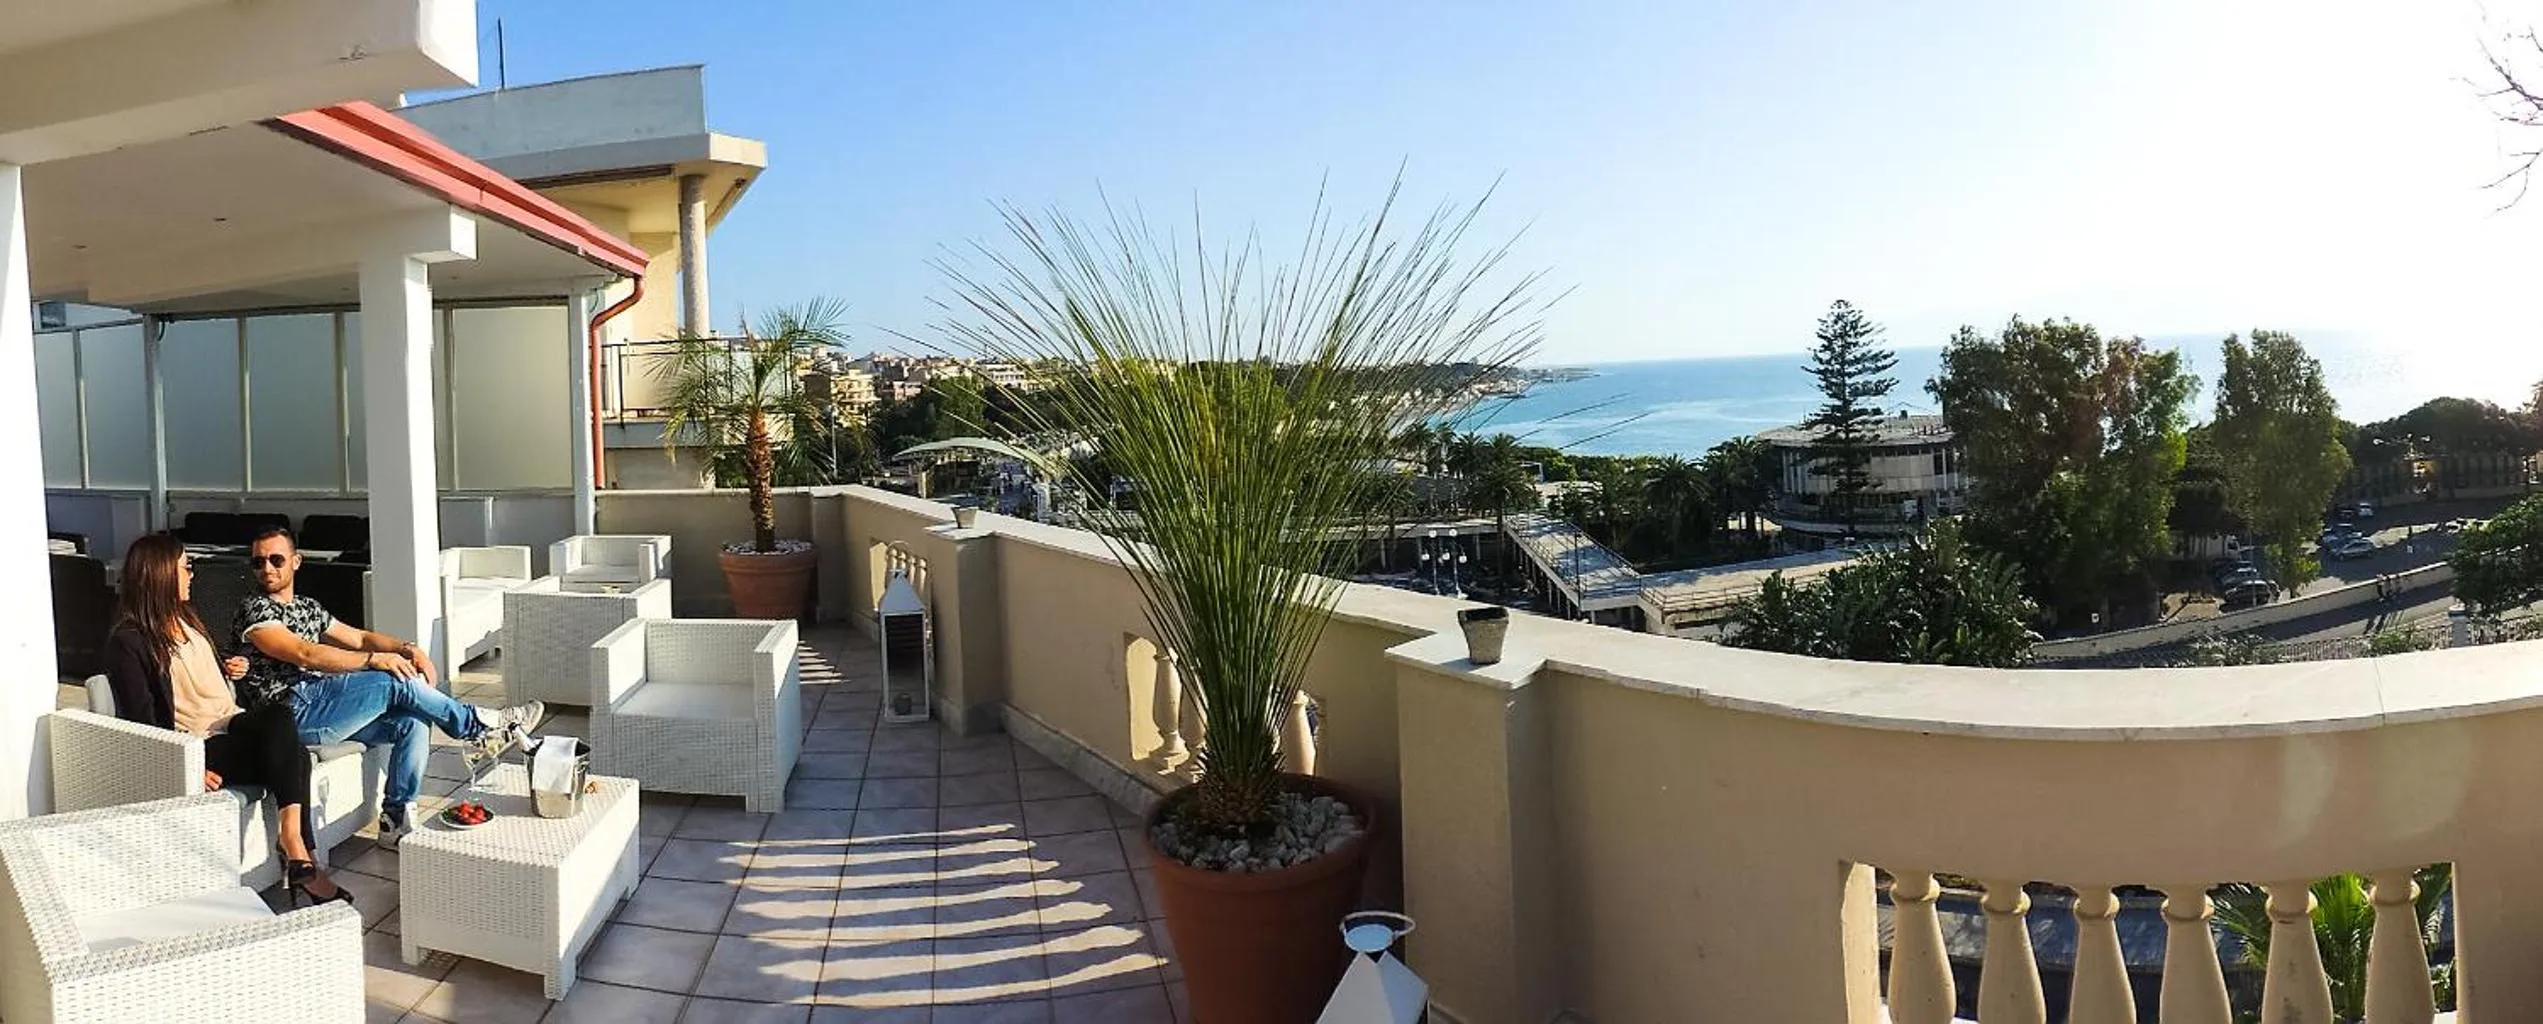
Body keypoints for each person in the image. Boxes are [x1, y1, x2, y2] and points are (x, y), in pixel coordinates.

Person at [229, 526, 543, 846]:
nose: (267, 568)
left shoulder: (307, 607)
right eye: (258, 562)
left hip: (321, 705)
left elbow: (359, 637)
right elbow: (304, 653)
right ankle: (477, 726)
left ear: (296, 561)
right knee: (395, 680)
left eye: (276, 559)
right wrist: (373, 660)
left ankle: (395, 822)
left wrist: (407, 648)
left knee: (412, 722)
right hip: (288, 715)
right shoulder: (255, 609)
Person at [103, 534, 350, 905]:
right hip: (194, 742)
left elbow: (196, 676)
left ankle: (293, 844)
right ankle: (302, 857)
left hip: (228, 720)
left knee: (279, 717)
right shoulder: (129, 641)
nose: (192, 575)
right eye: (186, 567)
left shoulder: (185, 620)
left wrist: (232, 667)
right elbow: (142, 721)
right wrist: (185, 764)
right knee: (295, 756)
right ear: (160, 574)